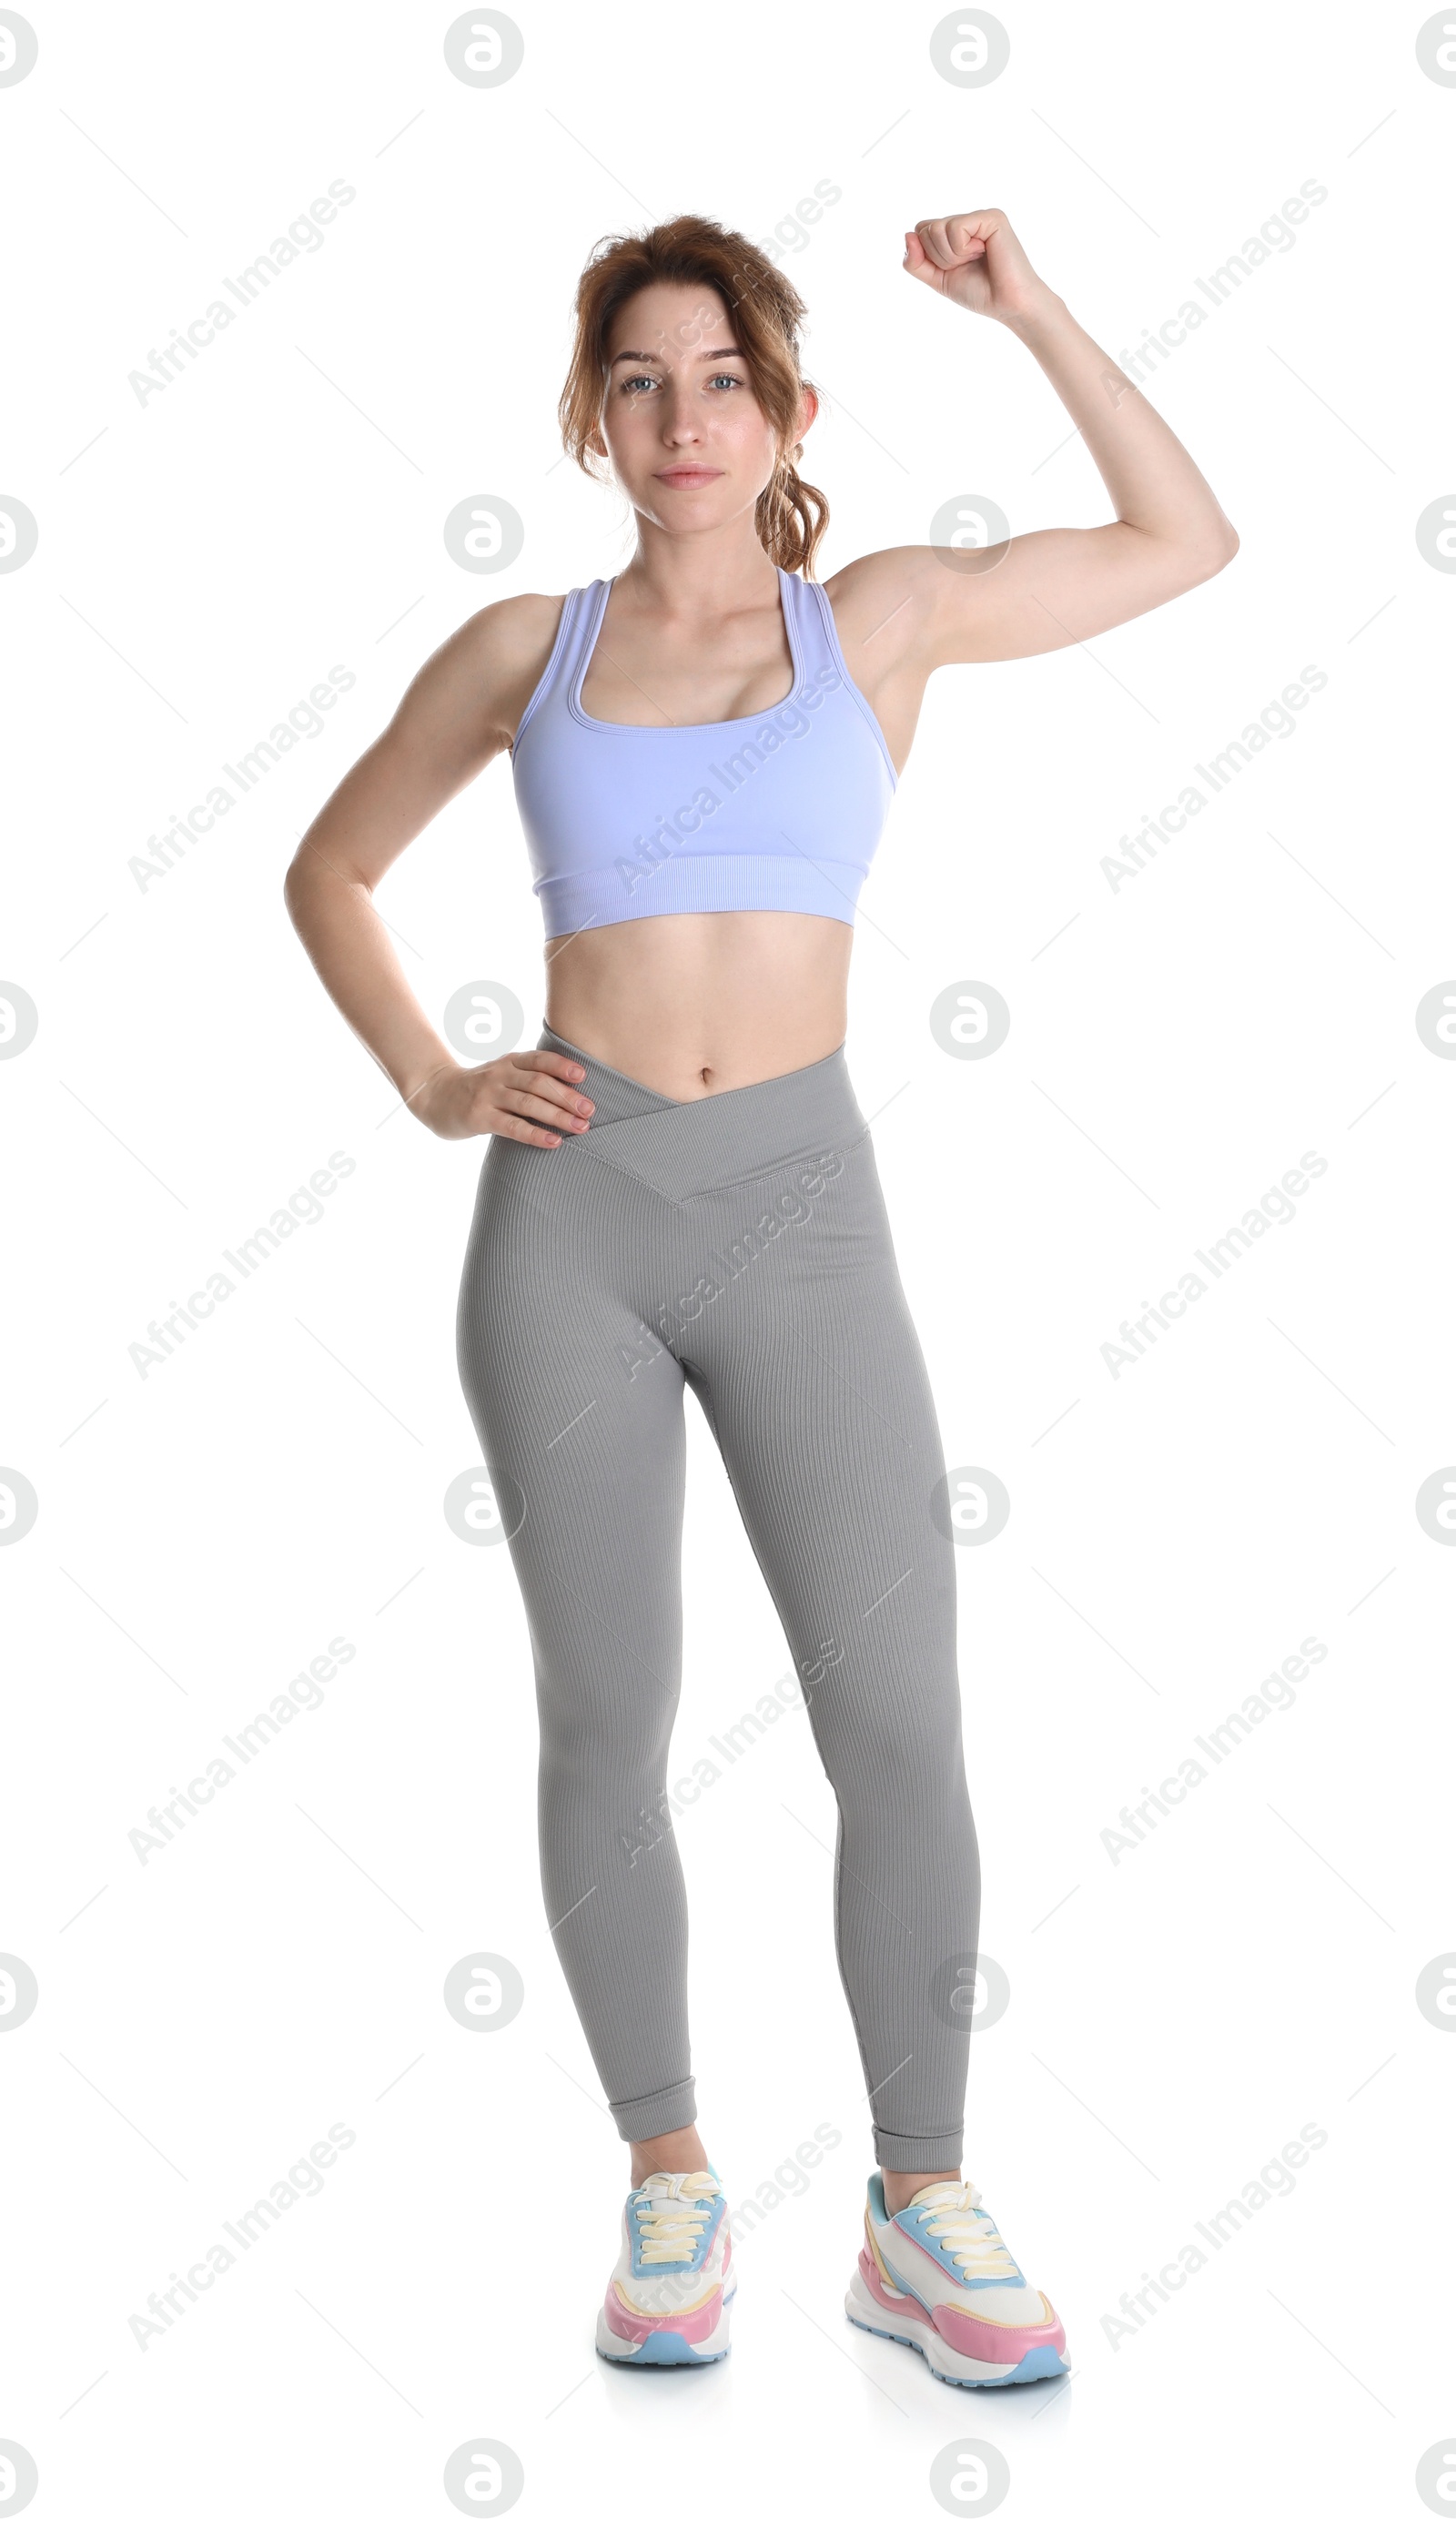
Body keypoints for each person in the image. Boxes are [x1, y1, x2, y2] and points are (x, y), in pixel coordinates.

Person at [284, 207, 1237, 2390]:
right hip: (572, 1219)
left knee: (895, 1721)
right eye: (638, 379)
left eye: (720, 377)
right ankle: (667, 2181)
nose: (680, 414)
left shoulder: (874, 620)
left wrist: (1026, 311)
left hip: (803, 1204)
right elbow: (327, 869)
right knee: (606, 1720)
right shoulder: (523, 646)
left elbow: (1185, 539)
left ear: (788, 410)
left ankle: (917, 2201)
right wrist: (437, 1078)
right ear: (590, 422)